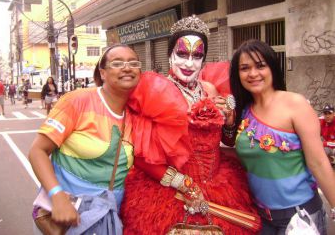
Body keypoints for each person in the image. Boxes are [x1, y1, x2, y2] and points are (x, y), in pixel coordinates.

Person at [120, 16, 260, 234]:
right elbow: (141, 158)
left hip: (219, 186)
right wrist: (186, 186)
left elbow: (227, 140)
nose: (189, 63)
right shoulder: (155, 93)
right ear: (169, 55)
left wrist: (230, 121)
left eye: (197, 56)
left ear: (204, 60)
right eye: (182, 54)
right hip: (170, 192)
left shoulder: (211, 90)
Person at [28, 44, 141, 233]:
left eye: (133, 63)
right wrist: (57, 196)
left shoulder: (138, 113)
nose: (127, 67)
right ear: (102, 73)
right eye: (117, 63)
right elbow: (37, 151)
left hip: (109, 221)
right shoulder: (77, 101)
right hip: (68, 217)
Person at [229, 39, 335, 234]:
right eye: (245, 68)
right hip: (261, 218)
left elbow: (319, 163)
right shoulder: (244, 111)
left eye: (260, 66)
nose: (253, 74)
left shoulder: (296, 104)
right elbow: (244, 159)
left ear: (272, 67)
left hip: (299, 217)